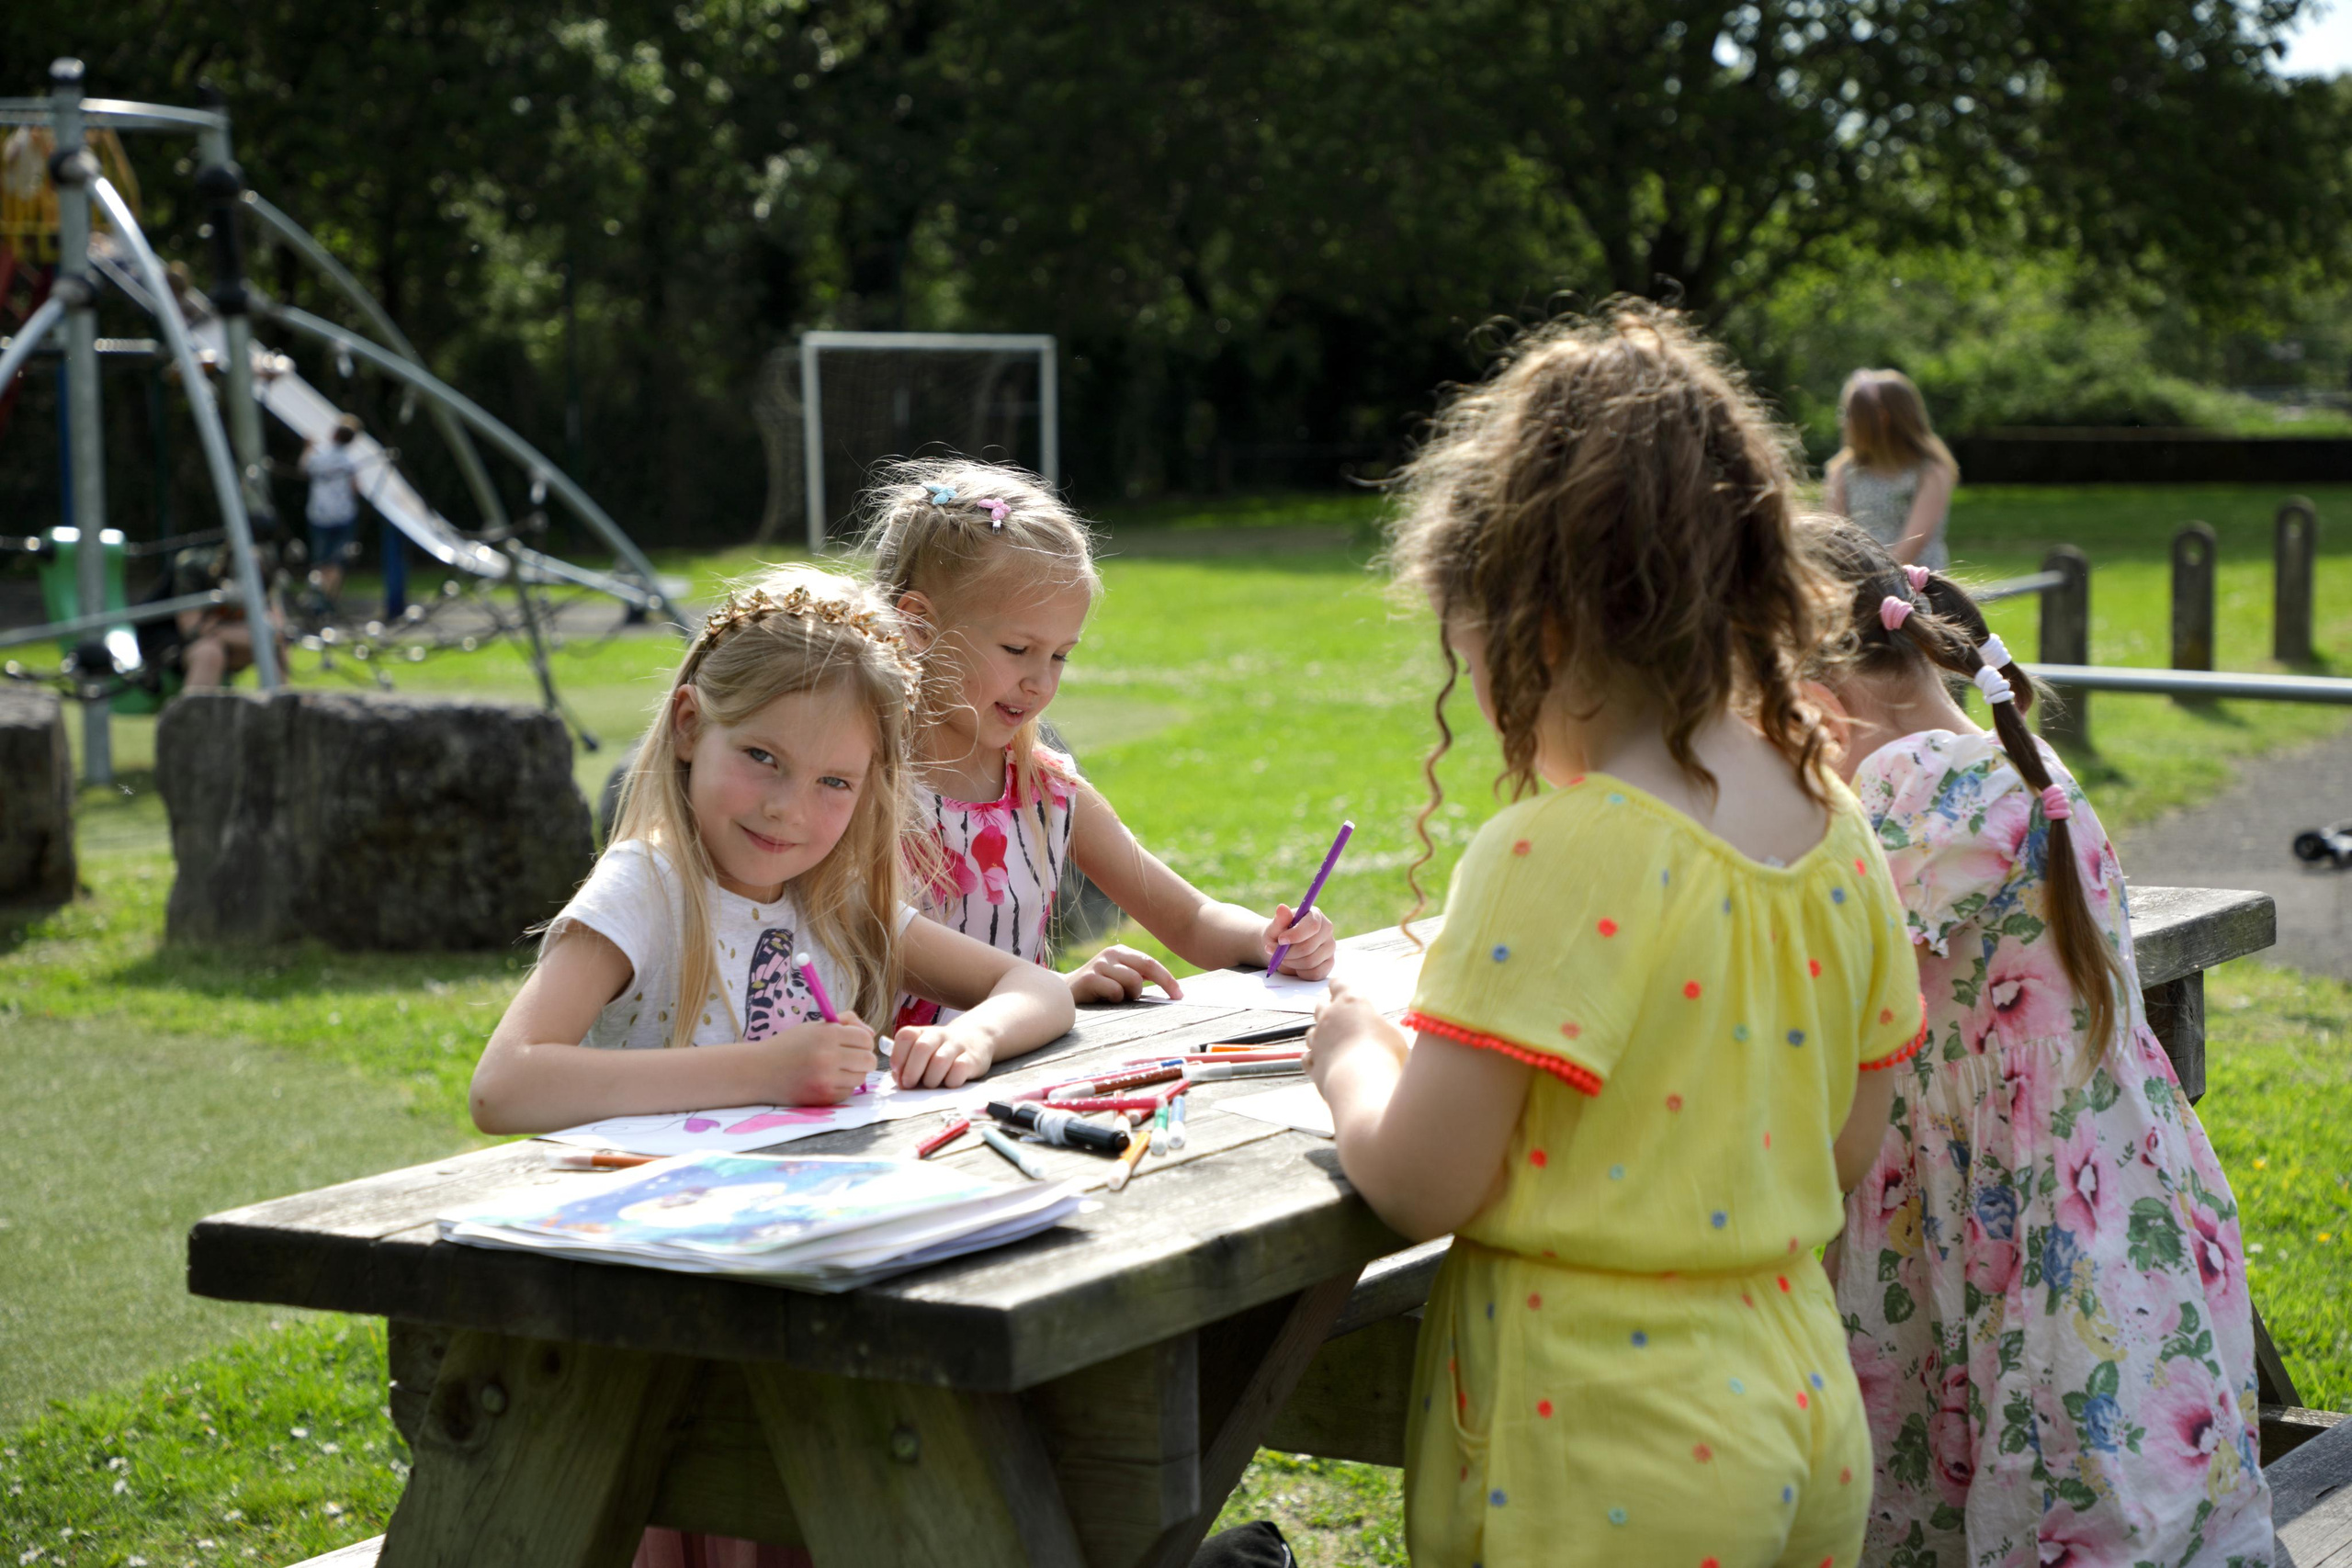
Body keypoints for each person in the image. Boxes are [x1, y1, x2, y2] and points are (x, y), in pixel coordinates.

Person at [1304, 304, 1925, 1568]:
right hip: (1800, 1389)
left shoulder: (1563, 846)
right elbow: (1852, 1136)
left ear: (1533, 626)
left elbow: (1425, 1179)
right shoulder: (1835, 824)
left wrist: (1350, 1052)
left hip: (1606, 1438)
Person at [1804, 520, 2271, 1568]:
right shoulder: (1996, 754)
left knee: (2038, 1452)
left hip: (2001, 1190)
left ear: (1815, 688)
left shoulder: (1906, 789)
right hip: (2094, 1166)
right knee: (2116, 1464)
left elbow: (1816, 990)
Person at [470, 563, 1074, 1131]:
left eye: (834, 781)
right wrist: (763, 1071)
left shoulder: (836, 902)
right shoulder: (647, 887)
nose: (788, 808)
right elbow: (504, 1085)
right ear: (689, 725)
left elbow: (1039, 989)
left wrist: (971, 1038)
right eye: (763, 757)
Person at [855, 457, 1335, 1022]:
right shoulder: (853, 786)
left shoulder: (1046, 788)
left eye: (1060, 655)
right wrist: (1054, 987)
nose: (1041, 681)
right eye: (1018, 649)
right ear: (917, 625)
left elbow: (1189, 919)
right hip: (888, 1095)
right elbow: (887, 953)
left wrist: (1270, 937)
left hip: (1014, 1075)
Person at [1824, 369, 1958, 570]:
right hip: (1861, 581)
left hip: (1917, 585)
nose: (1843, 422)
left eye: (1850, 414)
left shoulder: (1929, 472)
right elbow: (1835, 536)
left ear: (1882, 418)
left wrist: (1878, 579)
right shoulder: (1844, 471)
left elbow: (1915, 540)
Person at [300, 413, 366, 604]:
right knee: (336, 564)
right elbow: (356, 489)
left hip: (319, 516)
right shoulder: (349, 462)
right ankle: (328, 603)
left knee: (320, 564)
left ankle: (319, 603)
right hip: (343, 516)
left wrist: (307, 448)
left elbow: (303, 468)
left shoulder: (319, 456)